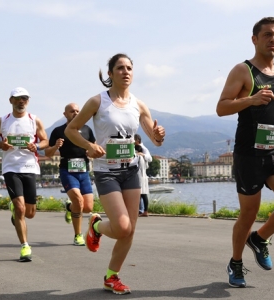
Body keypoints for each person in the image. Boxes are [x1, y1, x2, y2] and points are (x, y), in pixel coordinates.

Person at [65, 53, 166, 295]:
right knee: (121, 227)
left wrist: (159, 134)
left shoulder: (139, 104)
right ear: (110, 74)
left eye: (129, 68)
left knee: (130, 229)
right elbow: (71, 130)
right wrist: (89, 146)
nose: (126, 71)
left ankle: (112, 277)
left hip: (130, 170)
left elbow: (155, 139)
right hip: (106, 172)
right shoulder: (97, 102)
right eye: (120, 68)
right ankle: (97, 226)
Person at [216, 17, 274, 288]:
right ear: (255, 39)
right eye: (267, 35)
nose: (273, 40)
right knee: (248, 213)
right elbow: (222, 107)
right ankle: (236, 262)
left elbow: (270, 111)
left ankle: (260, 238)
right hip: (249, 154)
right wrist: (251, 99)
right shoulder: (243, 71)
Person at [0, 87, 49, 262]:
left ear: (28, 101)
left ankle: (15, 213)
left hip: (29, 167)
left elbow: (45, 141)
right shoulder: (2, 121)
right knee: (21, 208)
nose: (21, 101)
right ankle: (25, 246)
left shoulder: (34, 121)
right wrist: (2, 145)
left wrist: (36, 146)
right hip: (10, 168)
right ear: (11, 101)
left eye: (24, 98)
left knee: (30, 213)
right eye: (17, 99)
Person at [46, 103, 96, 246]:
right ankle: (78, 236)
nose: (75, 113)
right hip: (67, 171)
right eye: (72, 111)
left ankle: (69, 207)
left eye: (78, 111)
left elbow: (94, 148)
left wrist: (91, 152)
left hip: (84, 171)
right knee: (78, 201)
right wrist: (55, 147)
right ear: (65, 114)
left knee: (87, 208)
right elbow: (47, 154)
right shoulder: (58, 131)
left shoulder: (87, 130)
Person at [134, 134, 151, 217]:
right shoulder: (140, 154)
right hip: (143, 175)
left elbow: (149, 158)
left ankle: (142, 210)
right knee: (142, 194)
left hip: (140, 176)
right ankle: (142, 210)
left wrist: (142, 155)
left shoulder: (142, 150)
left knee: (141, 194)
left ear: (137, 140)